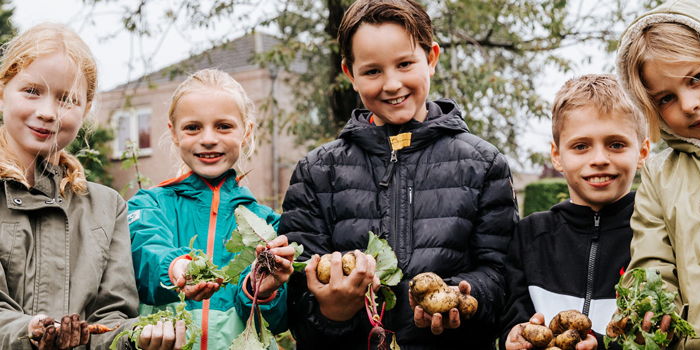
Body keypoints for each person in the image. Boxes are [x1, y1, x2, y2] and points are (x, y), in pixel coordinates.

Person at [279, 0, 518, 348]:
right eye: (373, 71)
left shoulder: (483, 164)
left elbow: (501, 276)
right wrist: (333, 309)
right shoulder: (317, 173)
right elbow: (296, 299)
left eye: (405, 64)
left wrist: (465, 298)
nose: (392, 85)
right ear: (351, 74)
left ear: (432, 59)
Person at [0, 23, 185, 350]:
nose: (47, 112)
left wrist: (136, 336)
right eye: (32, 91)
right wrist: (30, 330)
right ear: (3, 91)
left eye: (66, 99)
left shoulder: (107, 207)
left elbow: (111, 317)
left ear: (86, 110)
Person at [128, 68, 294, 350]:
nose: (208, 138)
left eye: (223, 126)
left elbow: (279, 322)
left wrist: (259, 290)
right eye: (193, 127)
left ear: (246, 132)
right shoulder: (148, 205)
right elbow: (144, 255)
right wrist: (177, 268)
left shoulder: (268, 225)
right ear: (174, 133)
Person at [615, 0, 700, 348]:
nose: (689, 104)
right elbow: (651, 261)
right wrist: (649, 306)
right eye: (665, 99)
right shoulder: (660, 175)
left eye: (697, 78)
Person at [501, 74, 650, 350]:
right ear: (557, 155)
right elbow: (510, 315)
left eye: (616, 144)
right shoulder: (530, 235)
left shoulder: (653, 234)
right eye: (581, 146)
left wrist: (602, 346)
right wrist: (514, 336)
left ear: (642, 152)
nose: (599, 159)